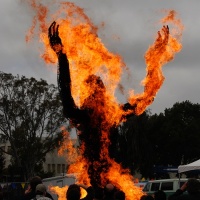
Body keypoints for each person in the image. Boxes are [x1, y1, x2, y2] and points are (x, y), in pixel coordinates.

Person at [48, 21, 170, 188]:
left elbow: (145, 98)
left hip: (108, 178)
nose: (97, 94)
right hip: (96, 178)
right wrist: (60, 55)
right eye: (95, 90)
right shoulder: (99, 116)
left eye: (97, 90)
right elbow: (65, 90)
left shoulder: (108, 114)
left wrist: (156, 58)